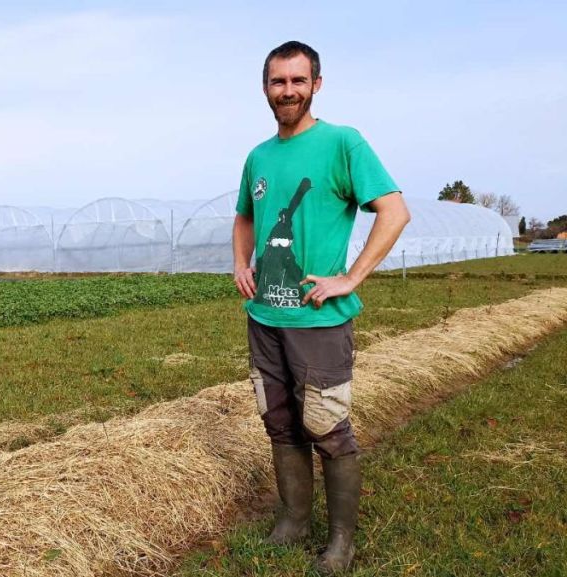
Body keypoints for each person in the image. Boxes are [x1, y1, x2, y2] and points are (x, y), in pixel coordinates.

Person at [232, 41, 410, 574]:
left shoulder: (343, 143)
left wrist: (350, 277)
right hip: (265, 317)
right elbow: (244, 217)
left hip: (318, 320)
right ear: (265, 87)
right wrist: (241, 262)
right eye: (277, 82)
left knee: (326, 425)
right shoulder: (258, 156)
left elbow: (394, 211)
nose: (287, 91)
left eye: (297, 81)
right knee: (279, 421)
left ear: (316, 84)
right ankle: (293, 520)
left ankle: (340, 542)